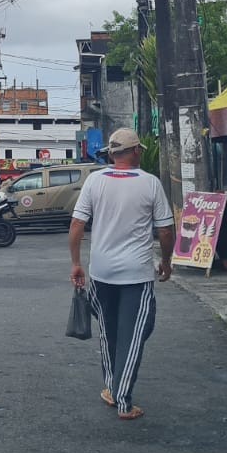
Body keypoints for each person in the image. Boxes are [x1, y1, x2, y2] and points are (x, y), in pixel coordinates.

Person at [68, 127, 175, 421]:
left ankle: (111, 386)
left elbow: (77, 225)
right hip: (136, 275)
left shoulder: (95, 180)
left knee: (110, 331)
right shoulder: (150, 183)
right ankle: (123, 400)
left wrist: (76, 263)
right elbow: (165, 230)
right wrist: (166, 260)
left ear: (113, 154)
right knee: (135, 333)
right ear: (137, 151)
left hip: (101, 272)